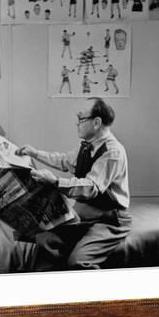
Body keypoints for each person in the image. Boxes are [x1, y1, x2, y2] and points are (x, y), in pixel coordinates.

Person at [16, 98, 131, 270]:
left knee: (78, 262)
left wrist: (55, 182)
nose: (76, 123)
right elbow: (63, 160)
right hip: (86, 215)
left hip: (109, 220)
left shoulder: (112, 152)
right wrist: (34, 153)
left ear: (97, 122)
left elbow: (91, 188)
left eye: (81, 118)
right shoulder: (86, 146)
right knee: (44, 239)